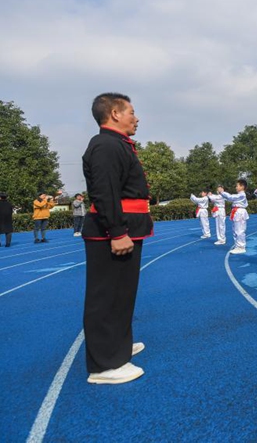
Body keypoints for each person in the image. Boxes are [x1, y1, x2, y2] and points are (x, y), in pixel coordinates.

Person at [82, 92, 153, 384]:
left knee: (123, 294)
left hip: (127, 228)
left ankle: (117, 347)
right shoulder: (106, 145)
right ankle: (105, 365)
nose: (136, 118)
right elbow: (105, 192)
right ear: (114, 114)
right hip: (114, 232)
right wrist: (118, 231)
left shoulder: (117, 144)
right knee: (107, 296)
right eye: (131, 112)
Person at [220, 180, 249, 254]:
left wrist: (223, 192)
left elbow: (231, 197)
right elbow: (229, 198)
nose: (236, 187)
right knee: (235, 230)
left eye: (237, 186)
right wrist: (222, 194)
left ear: (242, 187)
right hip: (236, 212)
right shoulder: (239, 195)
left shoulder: (242, 195)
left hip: (240, 212)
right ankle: (237, 245)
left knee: (240, 230)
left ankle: (241, 247)